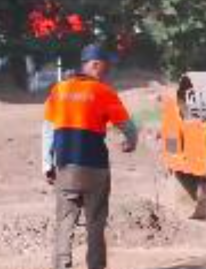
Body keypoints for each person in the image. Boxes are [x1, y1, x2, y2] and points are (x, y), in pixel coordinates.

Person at [43, 43, 138, 269]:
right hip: (95, 167)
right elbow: (128, 127)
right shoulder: (103, 92)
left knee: (64, 223)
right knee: (95, 223)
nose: (105, 73)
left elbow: (47, 129)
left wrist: (47, 164)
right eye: (104, 68)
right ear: (95, 64)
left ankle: (61, 265)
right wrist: (130, 142)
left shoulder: (59, 90)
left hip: (65, 166)